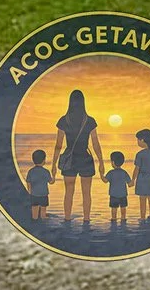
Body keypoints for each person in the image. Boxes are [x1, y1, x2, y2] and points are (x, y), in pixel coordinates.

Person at [50, 89, 103, 225]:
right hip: (85, 158)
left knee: (69, 192)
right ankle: (86, 220)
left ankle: (67, 219)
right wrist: (101, 162)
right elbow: (95, 144)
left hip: (70, 160)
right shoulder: (89, 121)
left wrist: (54, 165)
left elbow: (58, 145)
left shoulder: (64, 120)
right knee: (87, 193)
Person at [132, 129, 150, 220]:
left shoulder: (140, 154)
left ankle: (142, 217)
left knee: (142, 199)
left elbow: (136, 169)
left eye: (138, 140)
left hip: (142, 178)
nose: (137, 142)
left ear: (142, 140)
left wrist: (133, 180)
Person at [103, 150, 132, 226]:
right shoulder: (124, 172)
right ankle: (123, 222)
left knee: (114, 210)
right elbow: (130, 183)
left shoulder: (111, 173)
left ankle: (114, 222)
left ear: (112, 162)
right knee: (123, 210)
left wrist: (101, 174)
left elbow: (105, 180)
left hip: (113, 195)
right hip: (123, 195)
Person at [26, 149, 52, 221]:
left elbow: (28, 182)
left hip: (34, 194)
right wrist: (54, 177)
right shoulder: (46, 171)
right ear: (44, 160)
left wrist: (29, 191)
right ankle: (43, 218)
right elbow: (50, 181)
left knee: (34, 209)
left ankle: (34, 218)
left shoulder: (31, 171)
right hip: (43, 195)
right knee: (43, 210)